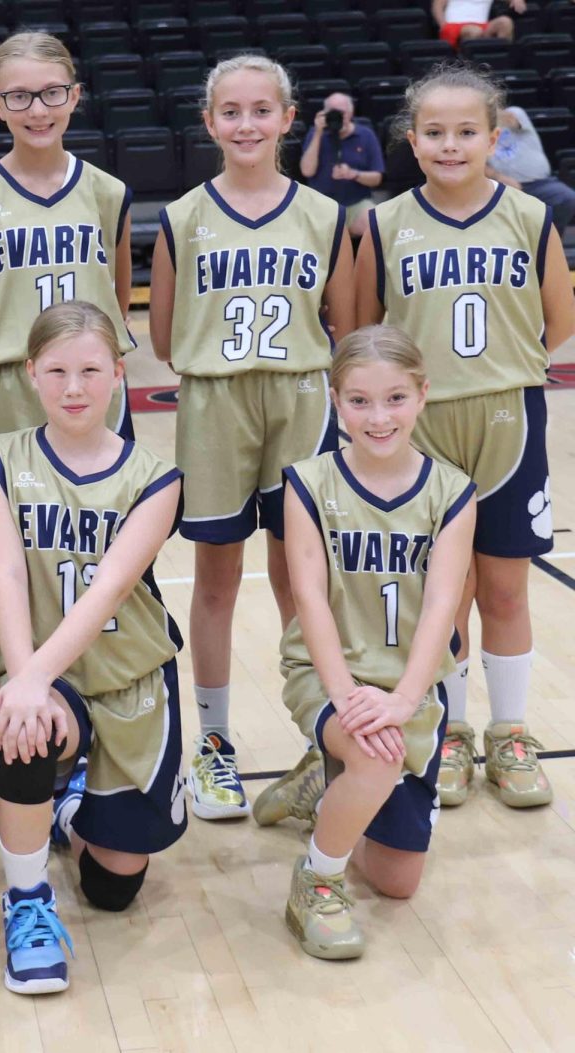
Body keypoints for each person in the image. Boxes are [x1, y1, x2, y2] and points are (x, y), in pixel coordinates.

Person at [356, 63, 575, 809]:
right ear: (413, 142)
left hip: (508, 412)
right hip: (421, 426)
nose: (451, 145)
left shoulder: (528, 216)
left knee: (506, 586)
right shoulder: (386, 223)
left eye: (467, 132)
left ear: (494, 137)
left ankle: (509, 732)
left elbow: (560, 315)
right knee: (443, 594)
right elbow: (362, 325)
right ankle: (445, 728)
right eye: (436, 133)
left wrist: (507, 363)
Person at [149, 55, 354, 824]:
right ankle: (214, 743)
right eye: (230, 112)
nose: (245, 125)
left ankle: (316, 735)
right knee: (215, 577)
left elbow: (349, 324)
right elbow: (164, 337)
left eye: (260, 111)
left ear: (286, 118)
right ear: (209, 123)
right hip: (214, 402)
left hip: (302, 395)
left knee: (303, 575)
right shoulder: (182, 216)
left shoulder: (323, 214)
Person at [0, 301, 186, 995]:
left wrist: (32, 674)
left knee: (114, 886)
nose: (74, 387)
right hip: (44, 673)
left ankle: (64, 806)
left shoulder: (156, 476)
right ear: (30, 373)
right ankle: (27, 898)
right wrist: (28, 678)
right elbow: (4, 571)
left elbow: (110, 588)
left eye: (91, 370)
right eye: (57, 370)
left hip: (128, 674)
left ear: (120, 374)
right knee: (26, 725)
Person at [279, 325, 475, 959]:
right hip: (329, 673)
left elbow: (442, 606)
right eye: (359, 400)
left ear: (422, 395)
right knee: (376, 758)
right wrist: (348, 700)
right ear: (336, 402)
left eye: (394, 398)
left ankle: (325, 791)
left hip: (409, 686)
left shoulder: (452, 492)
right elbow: (308, 596)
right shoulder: (308, 482)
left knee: (397, 883)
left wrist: (401, 701)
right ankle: (317, 880)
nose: (378, 416)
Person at [0, 31, 135, 466]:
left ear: (75, 97)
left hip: (91, 388)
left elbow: (116, 306)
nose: (37, 110)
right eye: (18, 96)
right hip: (6, 390)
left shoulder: (108, 193)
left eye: (52, 93)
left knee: (98, 524)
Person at [299, 93, 385, 239]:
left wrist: (354, 174)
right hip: (321, 204)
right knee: (312, 231)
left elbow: (377, 178)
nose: (338, 117)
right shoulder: (314, 134)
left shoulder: (366, 135)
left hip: (356, 203)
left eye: (342, 113)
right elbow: (307, 171)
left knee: (378, 226)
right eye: (333, 113)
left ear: (351, 113)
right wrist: (318, 133)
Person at [487, 105, 575, 234]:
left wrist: (486, 109)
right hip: (500, 185)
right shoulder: (470, 130)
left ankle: (550, 239)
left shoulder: (514, 112)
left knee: (567, 198)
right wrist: (498, 177)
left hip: (540, 182)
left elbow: (511, 120)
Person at [433, 0, 523, 45]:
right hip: (453, 26)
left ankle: (501, 58)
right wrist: (443, 26)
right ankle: (472, 68)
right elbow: (437, 7)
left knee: (505, 22)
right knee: (474, 31)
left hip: (482, 26)